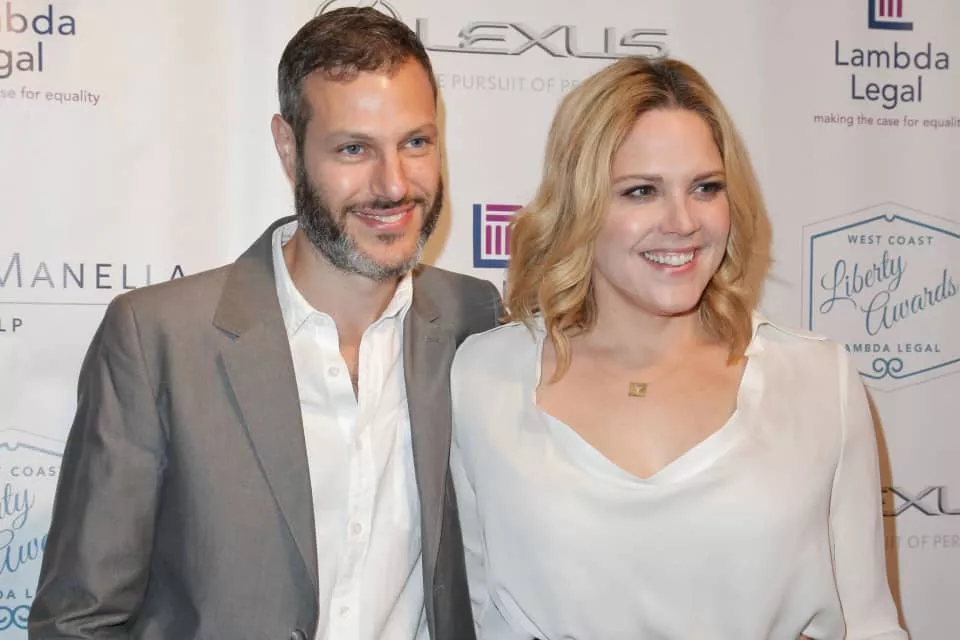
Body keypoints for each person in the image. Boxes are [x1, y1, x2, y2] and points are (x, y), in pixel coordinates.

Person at [29, 8, 500, 640]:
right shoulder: (159, 339)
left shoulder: (476, 322)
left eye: (415, 142)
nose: (393, 185)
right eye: (353, 149)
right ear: (287, 147)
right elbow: (78, 622)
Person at [450, 56, 907, 639]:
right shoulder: (483, 379)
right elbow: (473, 615)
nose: (683, 221)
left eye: (705, 188)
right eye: (641, 191)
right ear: (579, 206)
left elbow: (869, 624)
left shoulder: (818, 379)